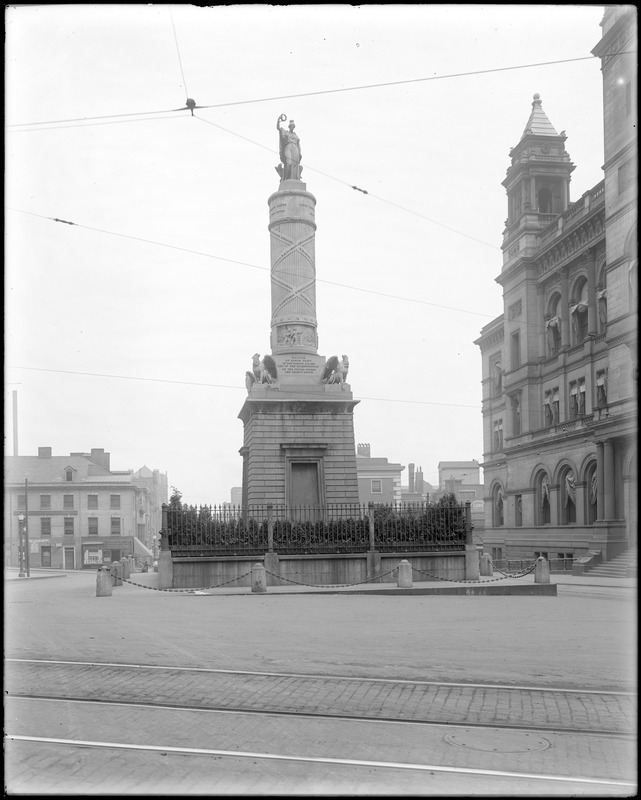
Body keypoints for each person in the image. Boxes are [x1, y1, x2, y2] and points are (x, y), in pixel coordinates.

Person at [276, 115, 302, 180]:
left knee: (295, 165)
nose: (292, 127)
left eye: (293, 126)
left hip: (295, 149)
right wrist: (278, 120)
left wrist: (300, 153)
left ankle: (294, 178)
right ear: (289, 127)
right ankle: (286, 179)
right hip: (288, 147)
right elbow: (278, 128)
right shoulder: (286, 133)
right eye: (291, 126)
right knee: (289, 163)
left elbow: (298, 145)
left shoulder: (296, 135)